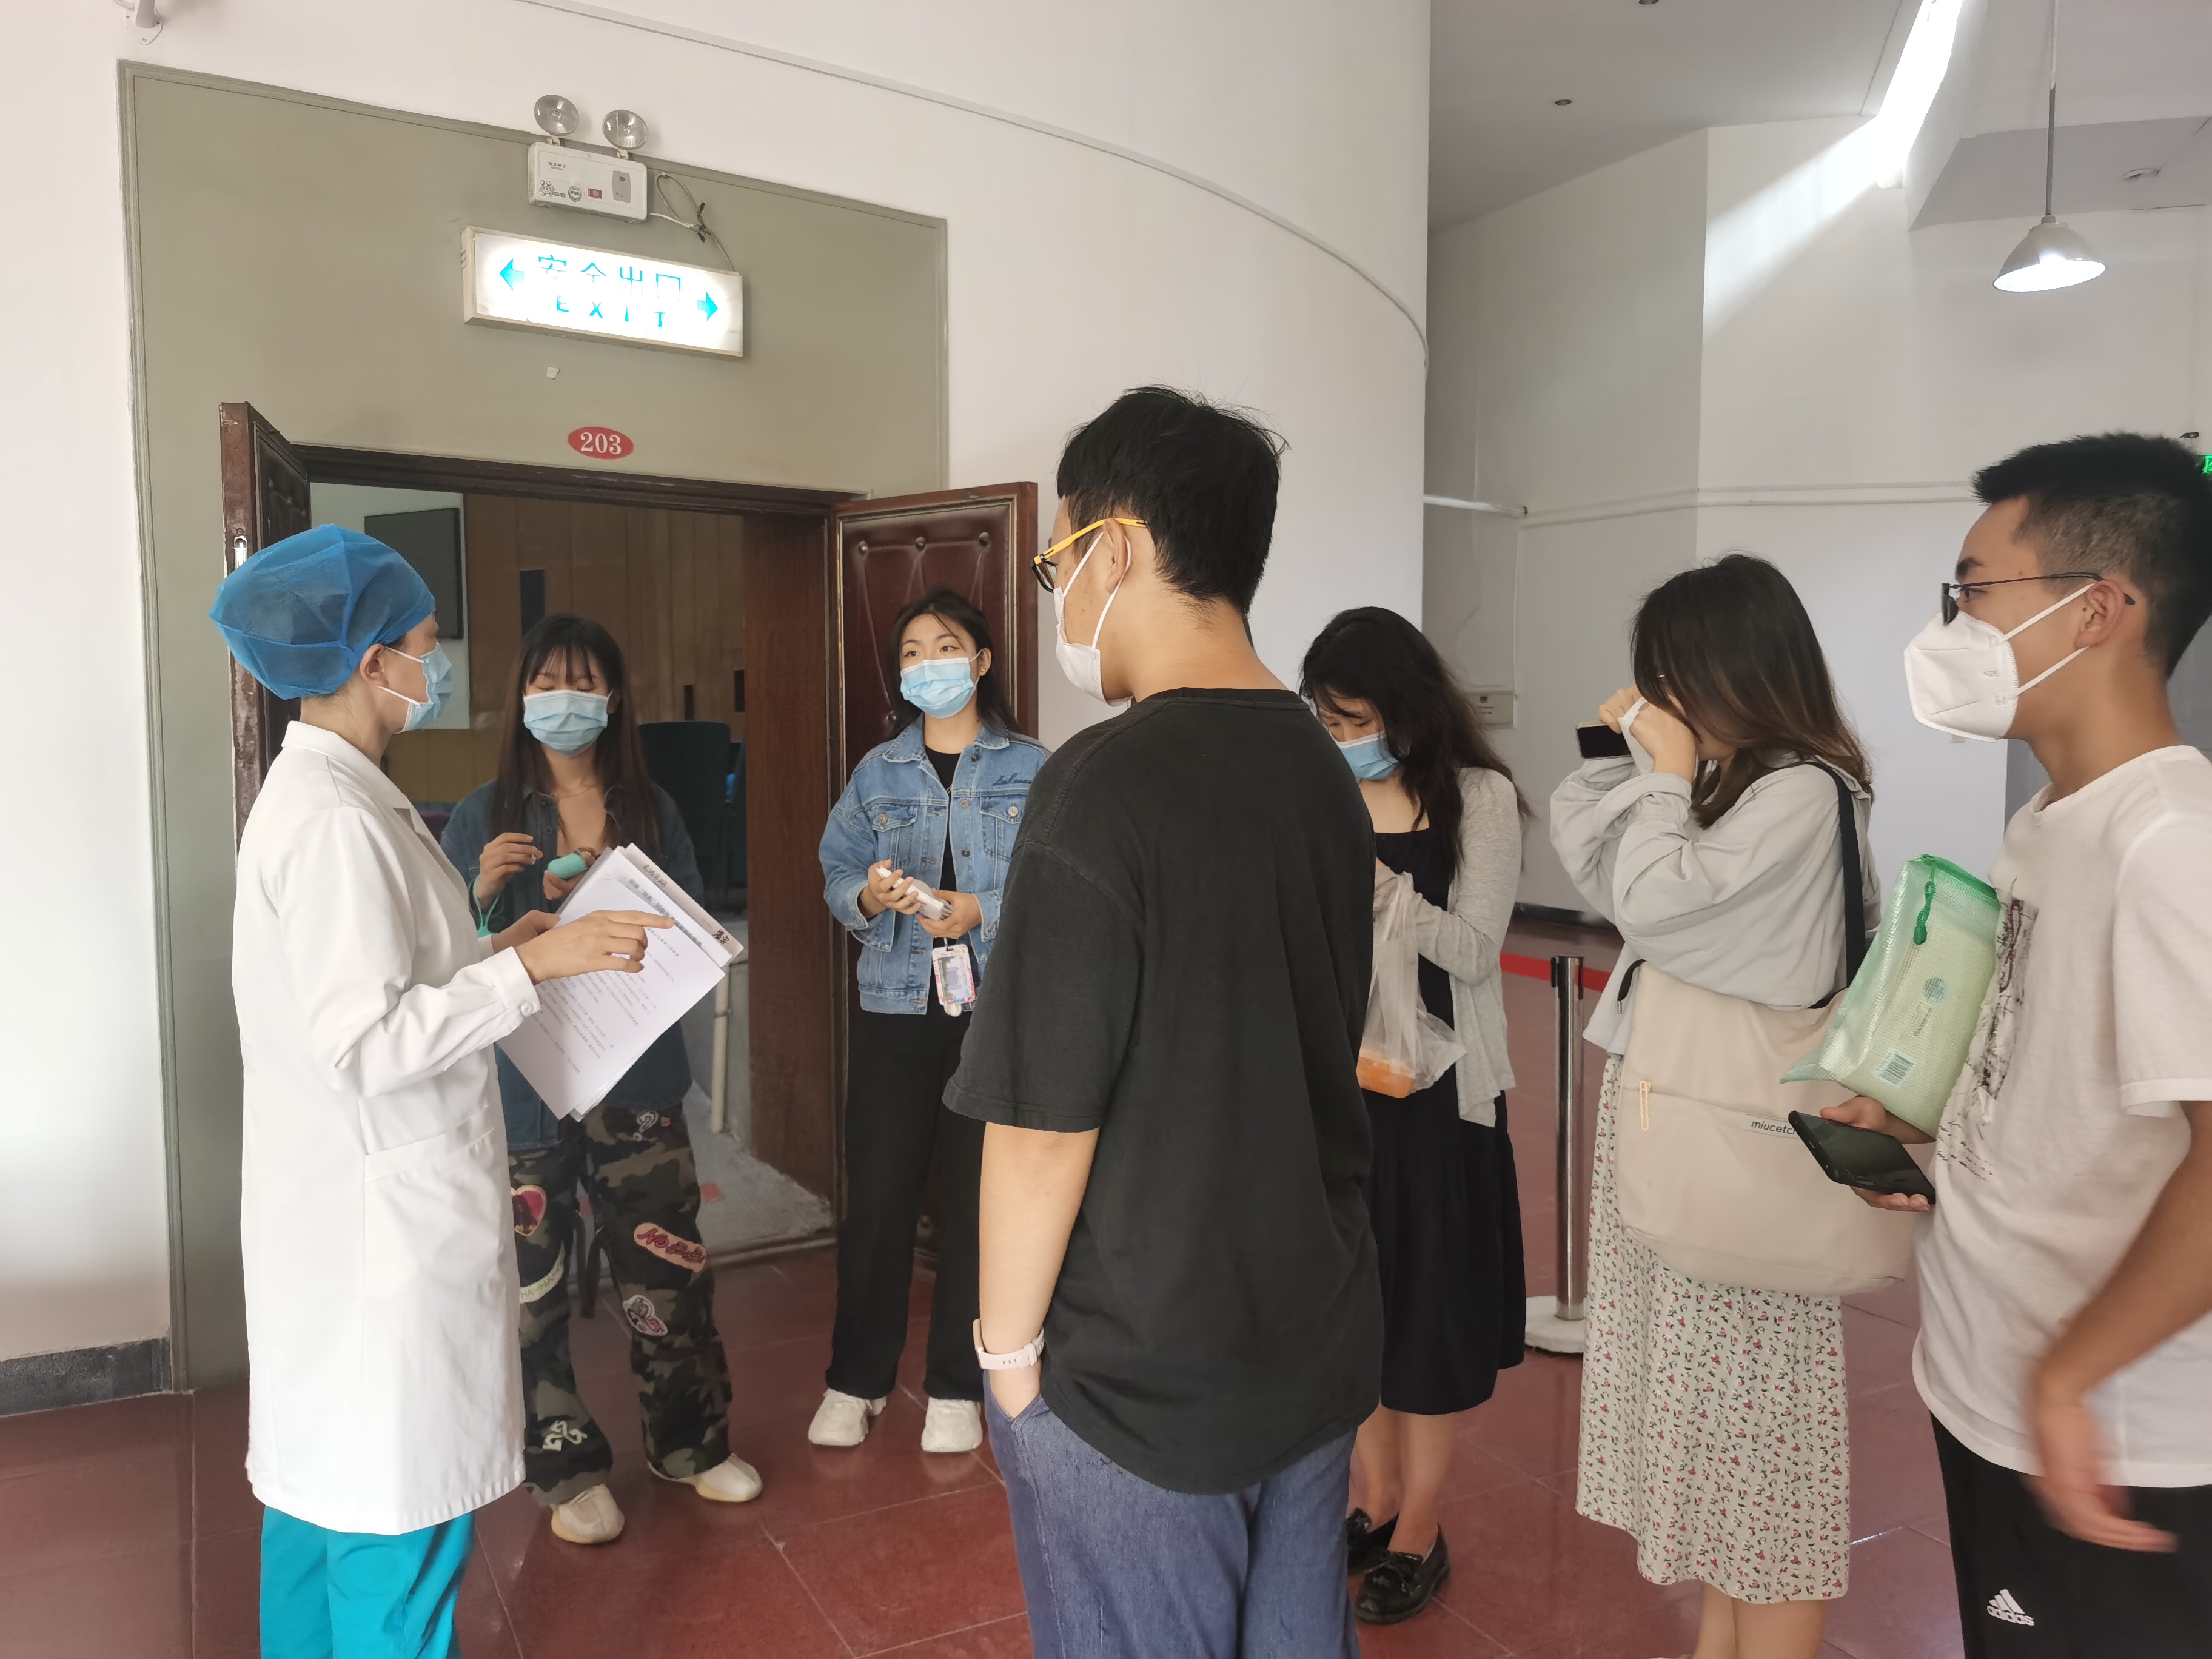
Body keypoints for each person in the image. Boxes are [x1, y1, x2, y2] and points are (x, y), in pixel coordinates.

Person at [945, 387, 1383, 1657]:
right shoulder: (1320, 769)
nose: (1057, 597)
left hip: (1141, 1376)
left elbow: (1042, 1125)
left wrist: (1009, 1364)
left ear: (1119, 549)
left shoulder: (1103, 782)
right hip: (1308, 1329)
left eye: (1057, 563)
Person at [212, 526, 671, 1657]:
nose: (439, 663)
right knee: (392, 1541)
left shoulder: (338, 796)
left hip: (344, 1231)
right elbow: (367, 1041)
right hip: (381, 1245)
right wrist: (534, 969)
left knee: (318, 1521)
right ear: (372, 661)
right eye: (425, 643)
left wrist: (493, 947)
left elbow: (386, 982)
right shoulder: (333, 823)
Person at [1827, 433, 2212, 1655]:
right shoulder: (2052, 822)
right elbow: (2055, 1078)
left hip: (2112, 1435)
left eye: (1972, 592)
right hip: (1996, 1384)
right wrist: (1929, 1131)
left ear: (2096, 609)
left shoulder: (2172, 844)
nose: (1950, 629)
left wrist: (2069, 1376)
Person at [1549, 554, 1879, 1659]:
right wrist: (1629, 762)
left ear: (1733, 669)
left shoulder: (1802, 792)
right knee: (1712, 1452)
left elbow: (1652, 901)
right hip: (1690, 1130)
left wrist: (1662, 778)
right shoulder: (1734, 783)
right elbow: (1599, 865)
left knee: (1766, 1474)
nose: (1660, 701)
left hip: (1738, 1144)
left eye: (1670, 677)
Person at [441, 614, 761, 1546]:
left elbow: (692, 928)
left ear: (614, 698)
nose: (564, 700)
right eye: (546, 683)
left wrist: (611, 905)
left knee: (667, 1269)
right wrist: (483, 894)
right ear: (521, 697)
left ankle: (689, 1444)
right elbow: (447, 960)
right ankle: (565, 1469)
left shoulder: (651, 810)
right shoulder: (483, 815)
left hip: (638, 1076)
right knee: (533, 1290)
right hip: (526, 1086)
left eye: (582, 683)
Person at [1301, 606, 1528, 1626]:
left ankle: (1421, 1532)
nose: (1341, 735)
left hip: (1441, 1102)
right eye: (1326, 718)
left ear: (1406, 708)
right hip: (1339, 1090)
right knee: (1358, 1315)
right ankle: (1379, 1500)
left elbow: (1475, 951)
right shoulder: (1321, 793)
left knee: (1427, 1321)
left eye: (1355, 718)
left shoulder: (1478, 798)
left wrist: (1382, 889)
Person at [814, 586, 1046, 1454]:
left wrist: (981, 910)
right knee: (877, 1200)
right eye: (911, 654)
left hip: (994, 1012)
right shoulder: (878, 772)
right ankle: (856, 1380)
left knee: (978, 1204)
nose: (927, 665)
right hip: (895, 1008)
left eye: (944, 648)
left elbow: (1058, 883)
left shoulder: (1035, 768)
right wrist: (870, 896)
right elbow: (837, 869)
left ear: (980, 661)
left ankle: (956, 1385)